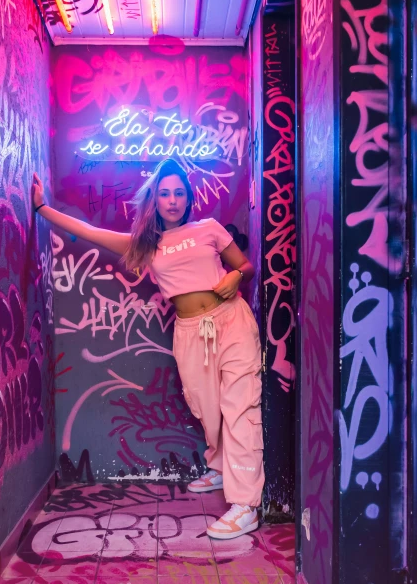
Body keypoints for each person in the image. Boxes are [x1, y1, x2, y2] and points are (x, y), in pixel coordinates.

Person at [32, 158, 264, 540]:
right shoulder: (146, 244)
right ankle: (220, 466)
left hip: (230, 320)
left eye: (179, 193)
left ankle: (245, 506)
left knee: (239, 406)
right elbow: (89, 232)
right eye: (164, 193)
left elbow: (246, 266)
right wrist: (42, 208)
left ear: (188, 197)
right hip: (190, 331)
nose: (172, 200)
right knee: (206, 405)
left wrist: (235, 276)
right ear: (154, 200)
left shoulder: (208, 228)